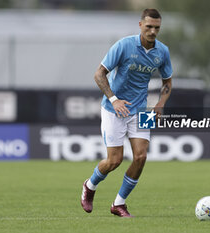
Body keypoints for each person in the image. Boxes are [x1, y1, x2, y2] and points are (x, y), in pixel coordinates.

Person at [80, 8, 172, 218]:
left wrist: (161, 103)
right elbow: (99, 74)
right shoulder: (124, 45)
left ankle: (118, 204)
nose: (152, 31)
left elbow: (167, 82)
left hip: (142, 110)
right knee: (114, 160)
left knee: (141, 157)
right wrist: (114, 99)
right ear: (140, 25)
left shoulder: (162, 52)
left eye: (156, 28)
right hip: (114, 109)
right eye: (148, 26)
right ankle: (90, 185)